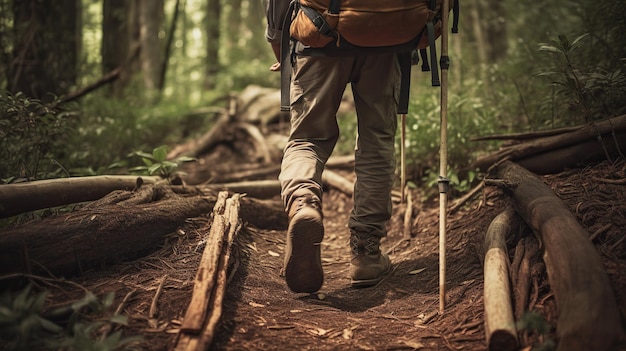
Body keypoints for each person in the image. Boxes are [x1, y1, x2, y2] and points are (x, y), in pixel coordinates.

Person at [266, 0, 399, 293]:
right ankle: (366, 252)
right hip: (386, 41)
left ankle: (303, 203)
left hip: (319, 36)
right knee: (377, 141)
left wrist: (279, 41)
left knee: (307, 139)